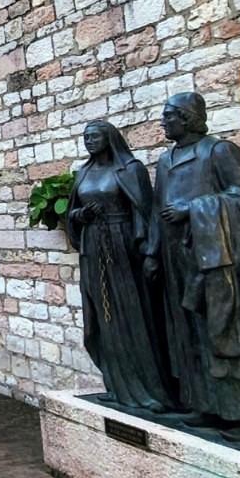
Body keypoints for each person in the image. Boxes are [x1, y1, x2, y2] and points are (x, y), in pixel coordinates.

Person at [142, 92, 240, 424]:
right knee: (188, 330)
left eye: (168, 116)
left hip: (214, 255)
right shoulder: (166, 161)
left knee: (224, 327)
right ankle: (207, 404)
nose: (162, 122)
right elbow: (157, 210)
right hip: (175, 255)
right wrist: (153, 253)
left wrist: (191, 209)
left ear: (186, 118)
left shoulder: (219, 151)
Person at [64, 121, 176, 413]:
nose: (89, 141)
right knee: (102, 320)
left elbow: (144, 211)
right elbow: (71, 212)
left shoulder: (130, 169)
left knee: (132, 316)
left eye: (95, 136)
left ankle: (148, 389)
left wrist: (147, 250)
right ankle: (117, 385)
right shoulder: (84, 172)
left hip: (123, 249)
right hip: (93, 250)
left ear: (109, 138)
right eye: (85, 137)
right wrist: (81, 214)